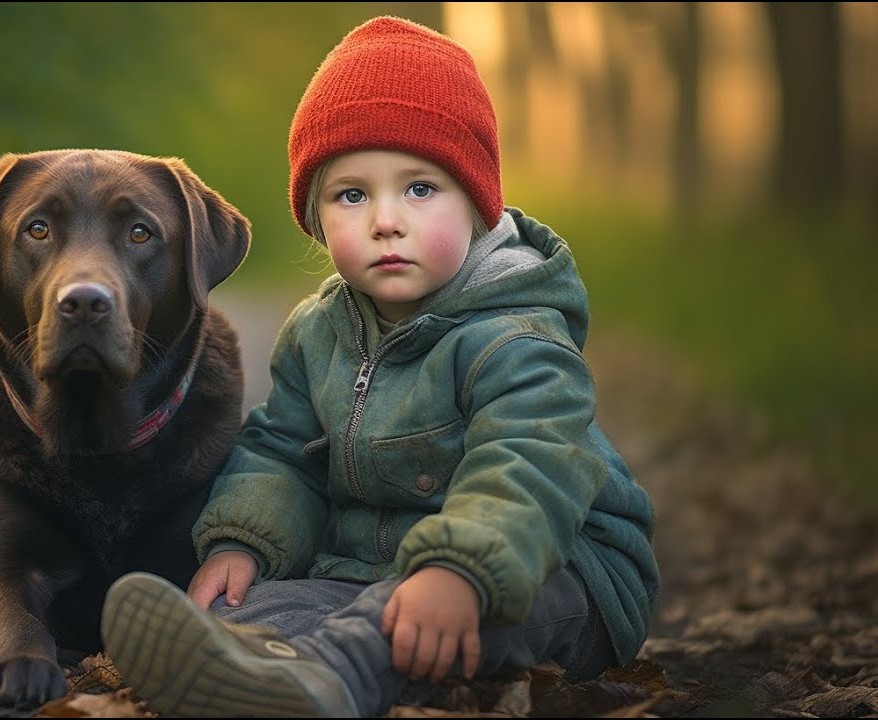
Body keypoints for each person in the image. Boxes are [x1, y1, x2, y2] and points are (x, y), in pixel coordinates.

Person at [100, 15, 659, 718]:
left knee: (399, 622)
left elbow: (530, 465)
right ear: (315, 214)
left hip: (556, 569)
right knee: (269, 602)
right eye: (352, 194)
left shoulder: (517, 337)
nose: (385, 220)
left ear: (477, 204)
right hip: (370, 569)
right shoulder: (318, 334)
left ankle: (329, 681)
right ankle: (240, 664)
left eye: (420, 190)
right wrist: (244, 543)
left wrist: (460, 569)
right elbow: (284, 454)